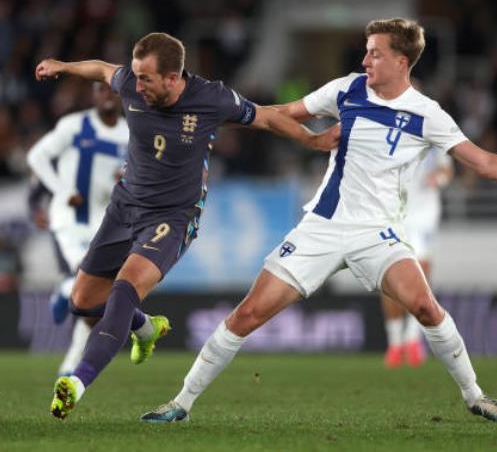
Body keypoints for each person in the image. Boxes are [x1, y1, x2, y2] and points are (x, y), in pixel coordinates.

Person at [141, 18, 497, 424]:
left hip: (378, 234)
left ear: (400, 61)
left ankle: (475, 396)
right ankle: (180, 403)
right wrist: (215, 115)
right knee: (248, 313)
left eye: (374, 53)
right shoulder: (346, 90)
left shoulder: (427, 113)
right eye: (366, 51)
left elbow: (482, 162)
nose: (364, 60)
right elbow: (283, 114)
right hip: (323, 226)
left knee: (427, 307)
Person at [34, 32, 340, 419]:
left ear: (173, 77)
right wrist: (62, 67)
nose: (136, 84)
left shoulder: (212, 98)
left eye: (147, 78)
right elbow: (99, 69)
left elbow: (265, 117)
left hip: (171, 218)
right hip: (124, 206)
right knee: (83, 300)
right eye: (136, 76)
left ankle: (75, 382)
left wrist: (312, 142)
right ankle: (145, 329)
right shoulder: (130, 80)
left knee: (124, 290)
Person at [26, 82, 170, 376]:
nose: (108, 95)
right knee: (82, 283)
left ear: (122, 96)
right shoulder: (74, 126)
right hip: (69, 221)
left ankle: (70, 363)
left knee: (96, 300)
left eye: (113, 91)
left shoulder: (132, 133)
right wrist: (60, 191)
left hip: (106, 226)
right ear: (92, 95)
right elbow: (36, 157)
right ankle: (65, 290)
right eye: (101, 90)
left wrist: (129, 175)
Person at [382, 146, 453, 368]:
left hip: (424, 214)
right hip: (394, 213)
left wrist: (439, 178)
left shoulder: (434, 132)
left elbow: (447, 169)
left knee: (421, 274)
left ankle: (412, 340)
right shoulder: (390, 130)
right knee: (389, 278)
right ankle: (395, 343)